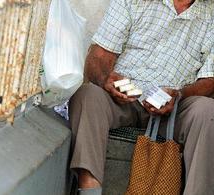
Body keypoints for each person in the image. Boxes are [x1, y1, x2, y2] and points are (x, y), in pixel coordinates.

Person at [69, 0, 214, 194]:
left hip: (176, 106)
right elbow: (99, 56)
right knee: (87, 95)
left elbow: (209, 81)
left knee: (207, 111)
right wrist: (107, 80)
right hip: (124, 101)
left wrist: (178, 95)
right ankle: (89, 189)